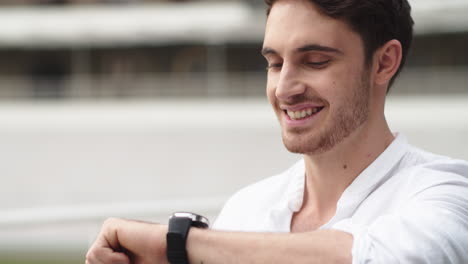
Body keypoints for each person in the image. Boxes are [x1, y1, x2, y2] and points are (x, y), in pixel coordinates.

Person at [86, 0, 468, 263]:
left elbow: (385, 257)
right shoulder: (246, 209)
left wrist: (178, 244)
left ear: (384, 63)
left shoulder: (445, 193)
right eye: (274, 63)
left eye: (315, 61)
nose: (284, 88)